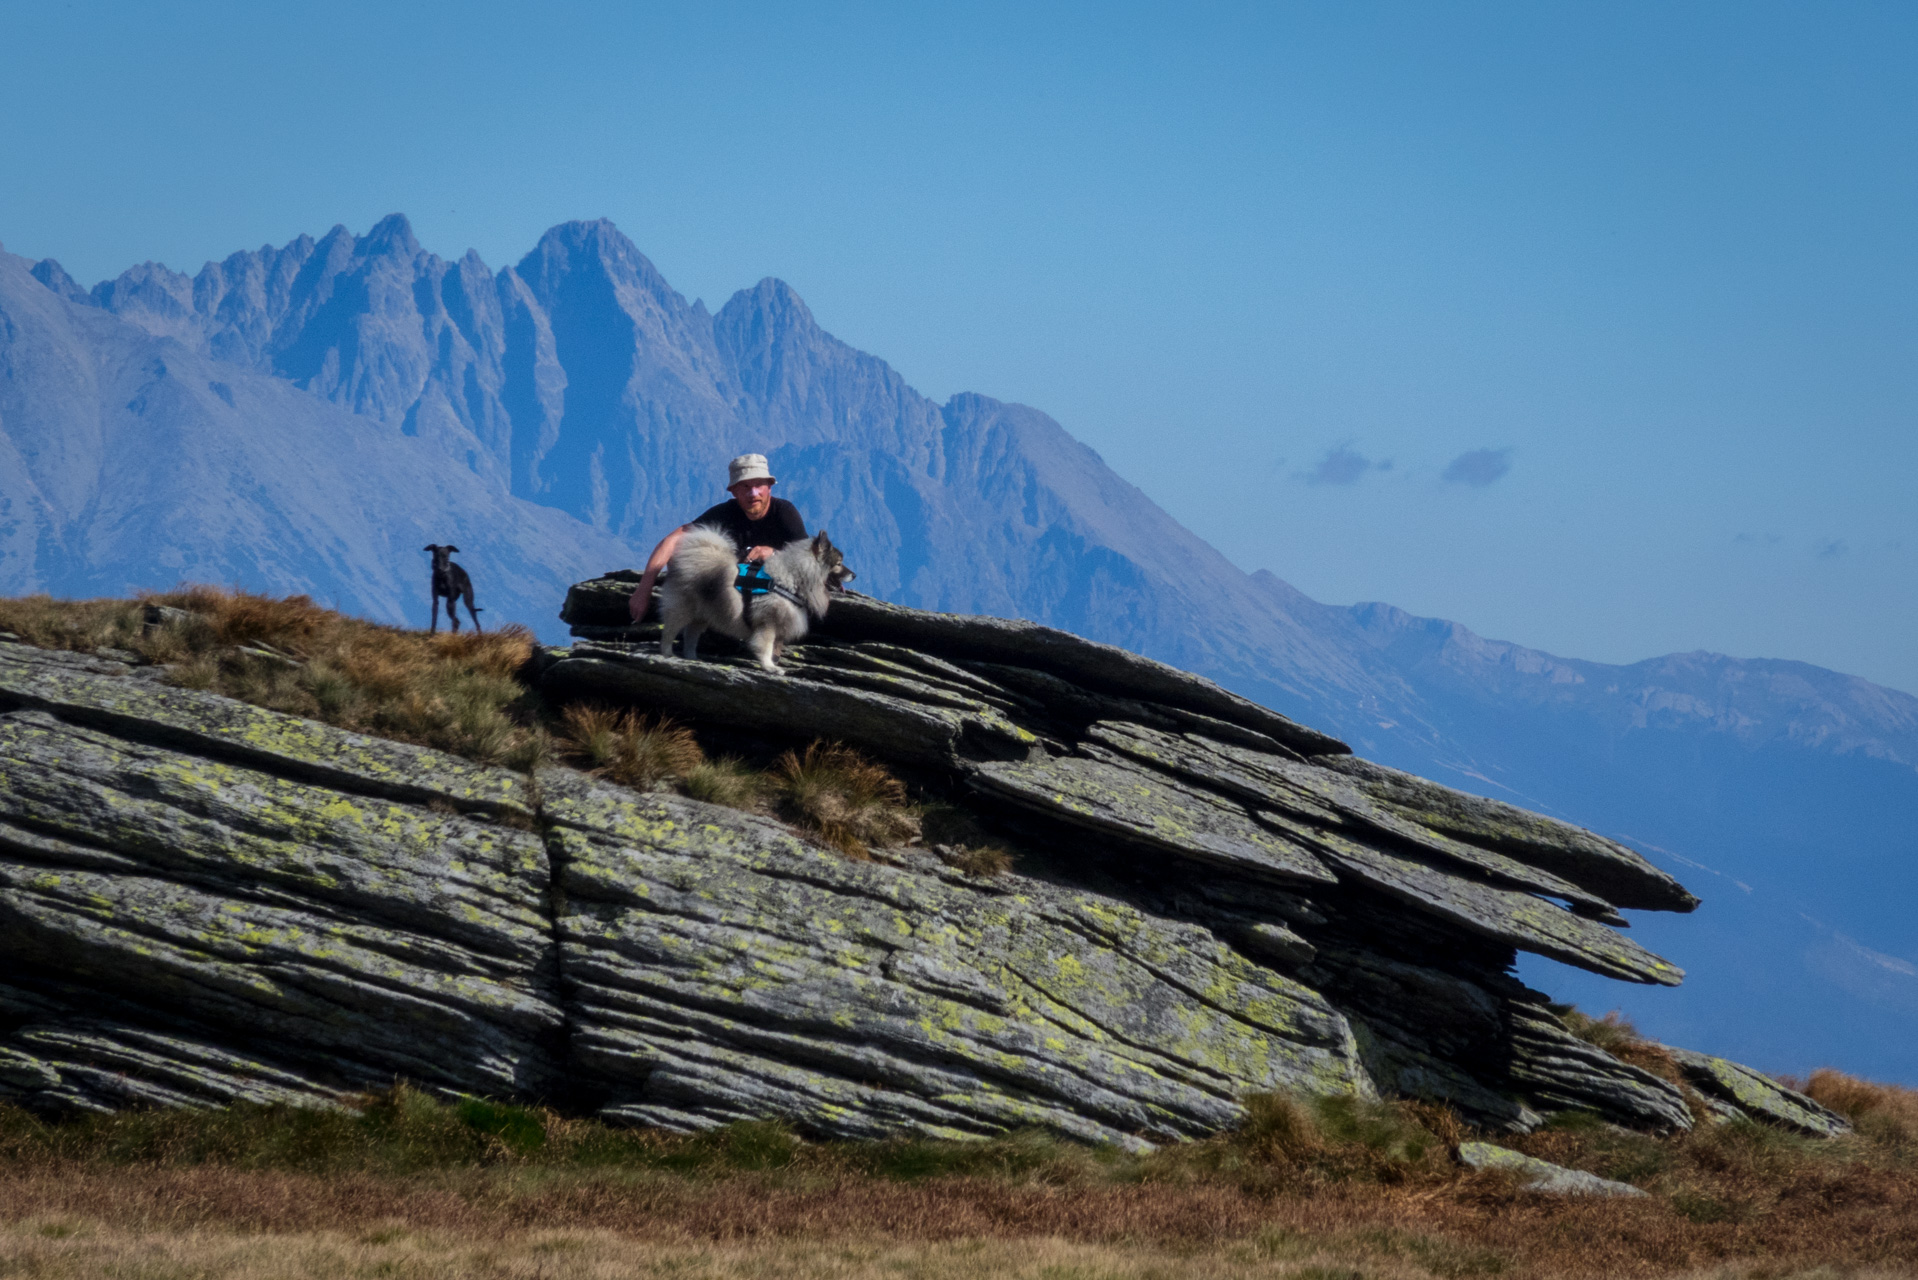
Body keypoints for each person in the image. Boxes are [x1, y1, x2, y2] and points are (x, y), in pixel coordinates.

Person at [628, 453, 809, 621]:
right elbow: (672, 541)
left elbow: (809, 561)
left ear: (769, 487)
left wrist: (774, 555)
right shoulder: (725, 513)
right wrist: (643, 591)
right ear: (733, 491)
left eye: (759, 485)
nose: (753, 493)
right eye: (745, 486)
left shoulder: (785, 514)